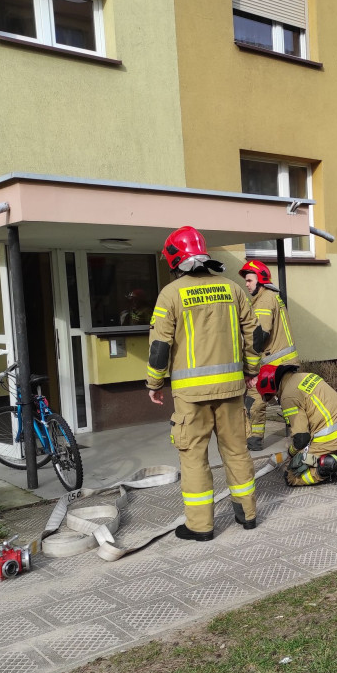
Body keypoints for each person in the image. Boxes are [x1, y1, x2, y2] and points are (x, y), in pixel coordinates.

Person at [146, 226, 264, 540]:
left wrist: (154, 384)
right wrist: (251, 370)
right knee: (237, 452)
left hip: (190, 395)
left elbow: (160, 346)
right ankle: (248, 515)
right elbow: (254, 335)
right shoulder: (233, 288)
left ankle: (201, 527)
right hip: (232, 390)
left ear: (174, 260)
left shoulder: (171, 294)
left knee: (194, 458)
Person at [255, 363, 337, 489]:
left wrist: (291, 453)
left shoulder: (288, 396)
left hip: (328, 438)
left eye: (269, 395)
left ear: (270, 384)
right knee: (319, 450)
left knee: (292, 475)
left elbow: (302, 439)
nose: (272, 398)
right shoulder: (305, 376)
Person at [238, 260, 299, 450]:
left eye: (249, 280)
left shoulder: (264, 299)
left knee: (255, 400)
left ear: (261, 280)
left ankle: (255, 440)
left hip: (273, 363)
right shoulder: (271, 297)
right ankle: (298, 435)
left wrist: (250, 370)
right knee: (290, 401)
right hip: (285, 361)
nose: (246, 284)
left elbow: (259, 336)